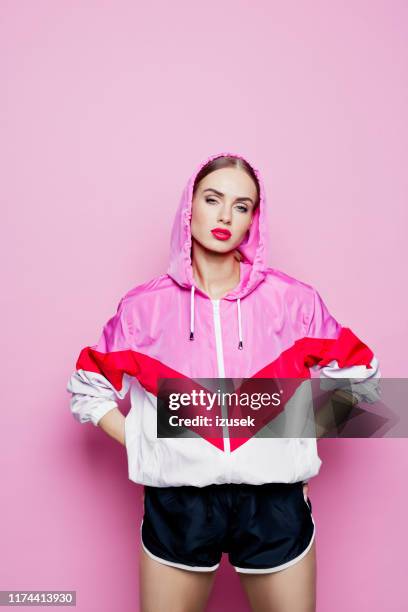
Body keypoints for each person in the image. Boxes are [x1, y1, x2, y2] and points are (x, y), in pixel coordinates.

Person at [67, 151, 381, 612]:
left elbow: (362, 378)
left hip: (274, 504)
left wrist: (294, 435)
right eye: (213, 199)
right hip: (179, 504)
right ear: (188, 208)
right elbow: (86, 386)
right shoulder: (142, 308)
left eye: (241, 205)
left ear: (254, 219)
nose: (225, 216)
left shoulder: (294, 301)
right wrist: (141, 441)